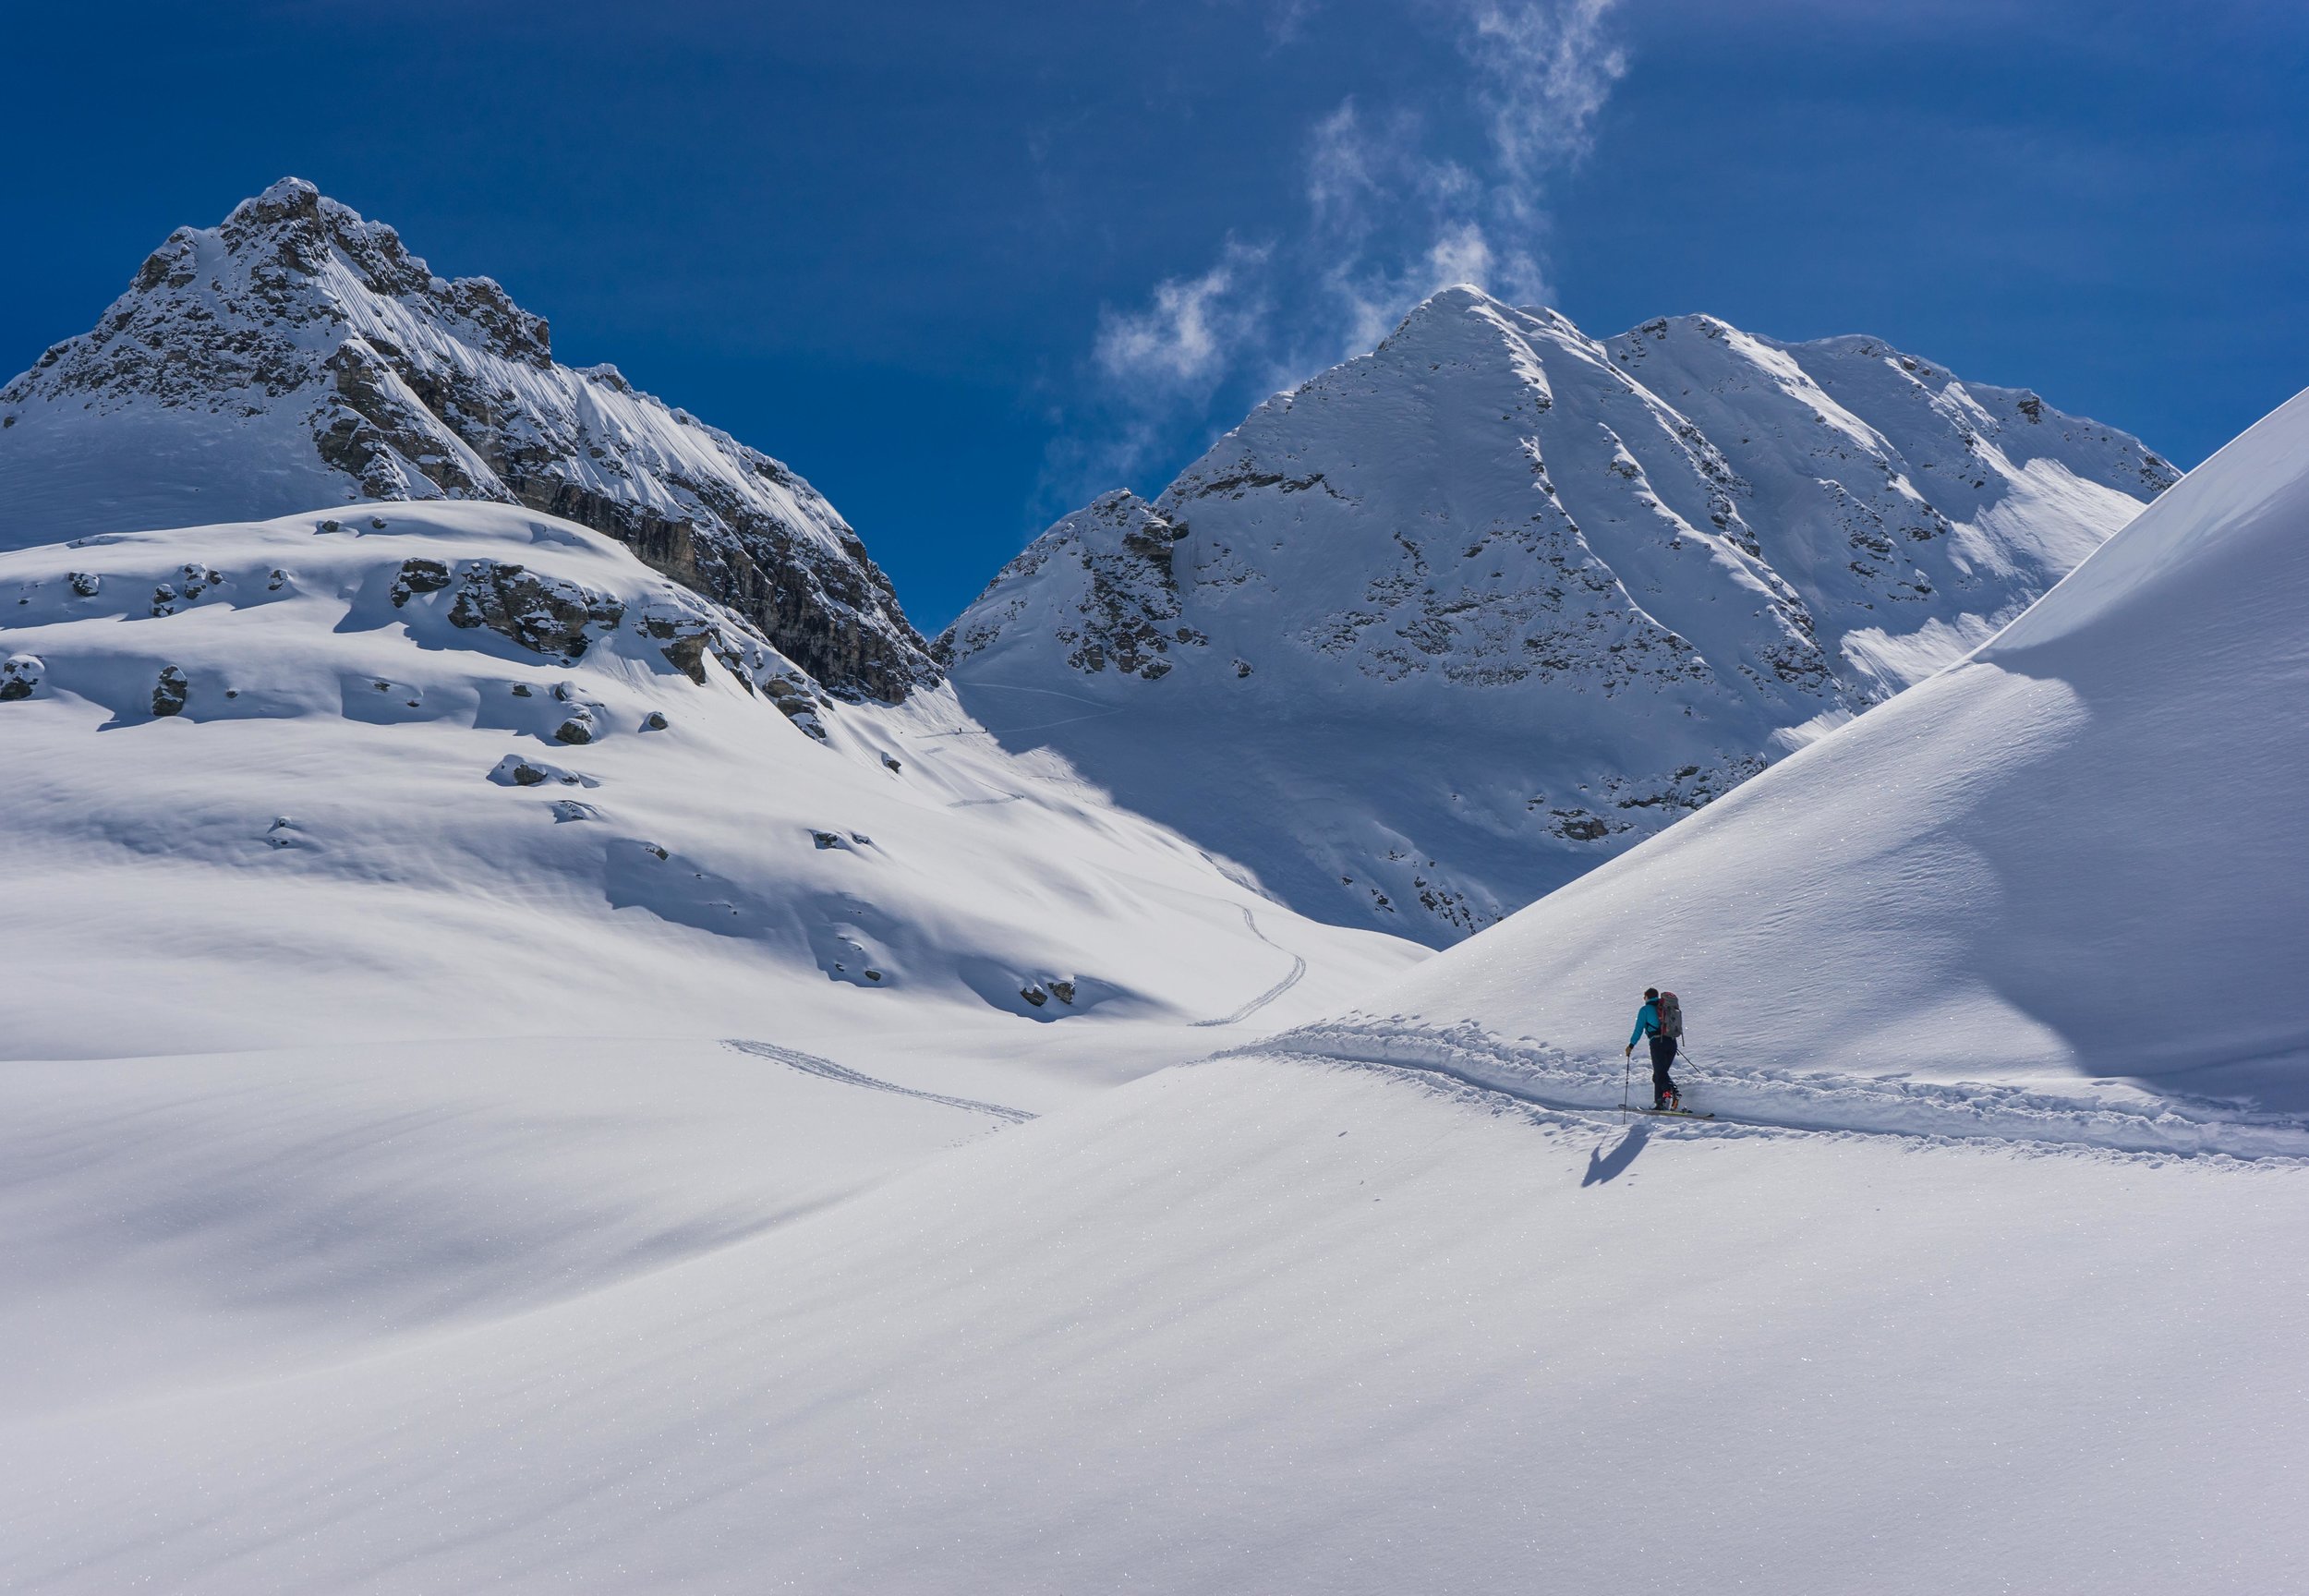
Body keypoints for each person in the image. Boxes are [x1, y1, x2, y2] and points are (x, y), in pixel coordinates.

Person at [1625, 987, 1680, 1110]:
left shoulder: (1645, 1010)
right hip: (1672, 1042)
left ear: (1646, 997)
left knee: (1660, 1073)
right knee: (1659, 1075)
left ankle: (1673, 1091)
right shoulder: (1666, 1008)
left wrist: (1631, 1046)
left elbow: (1638, 1030)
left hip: (1657, 1043)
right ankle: (1660, 1102)